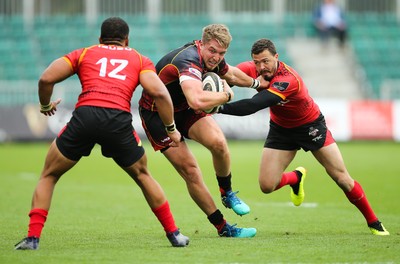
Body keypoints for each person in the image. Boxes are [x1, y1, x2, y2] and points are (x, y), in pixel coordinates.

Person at [14, 17, 190, 250]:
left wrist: (45, 106)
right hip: (117, 121)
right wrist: (171, 129)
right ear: (126, 40)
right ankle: (174, 234)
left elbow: (46, 78)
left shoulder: (85, 53)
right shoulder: (138, 59)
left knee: (49, 175)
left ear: (100, 38)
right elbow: (160, 94)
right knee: (143, 175)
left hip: (85, 118)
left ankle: (32, 238)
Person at [217, 38, 389, 236]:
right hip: (281, 130)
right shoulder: (255, 68)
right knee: (266, 185)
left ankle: (374, 221)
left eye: (266, 61)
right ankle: (296, 178)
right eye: (256, 62)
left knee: (342, 178)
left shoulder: (288, 80)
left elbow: (253, 105)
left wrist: (218, 107)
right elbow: (229, 74)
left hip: (310, 127)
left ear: (276, 57)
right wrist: (218, 83)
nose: (261, 67)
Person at [138, 24, 268, 238]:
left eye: (222, 53)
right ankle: (223, 227)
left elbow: (233, 75)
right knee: (191, 170)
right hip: (158, 116)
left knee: (219, 143)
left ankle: (226, 192)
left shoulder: (212, 58)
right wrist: (226, 96)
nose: (216, 57)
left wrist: (256, 84)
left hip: (183, 110)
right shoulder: (187, 59)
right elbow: (197, 100)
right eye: (213, 51)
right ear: (202, 44)